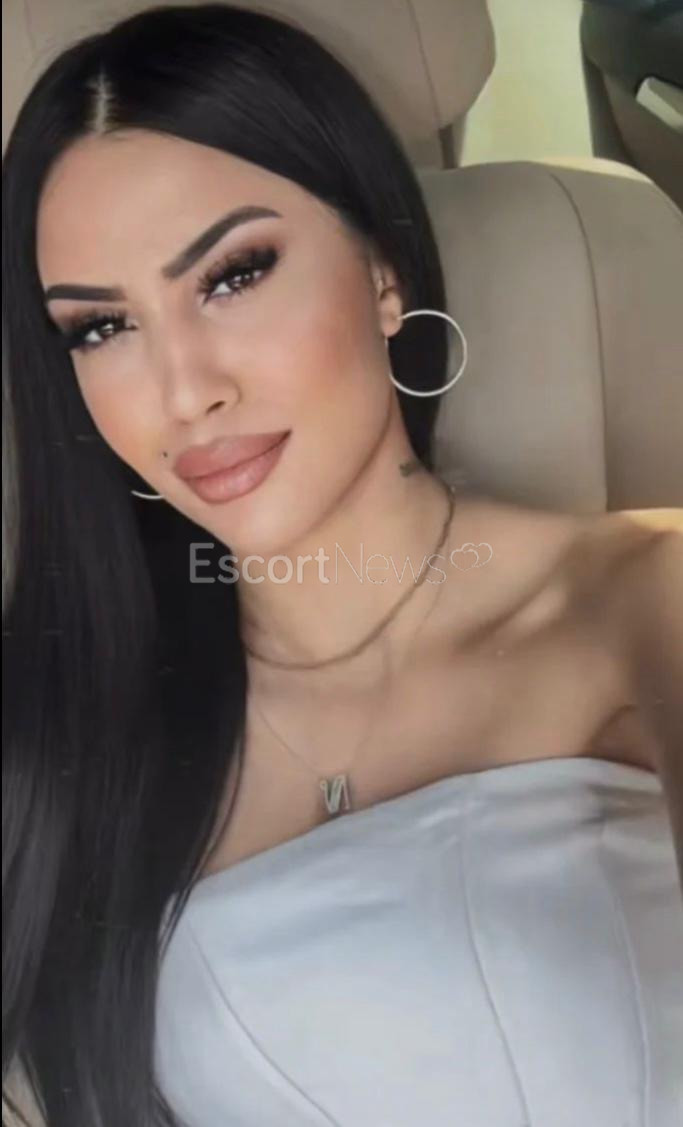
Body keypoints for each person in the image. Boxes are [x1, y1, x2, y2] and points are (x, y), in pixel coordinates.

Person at [2, 4, 682, 1126]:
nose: (185, 392)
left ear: (381, 270)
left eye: (232, 274)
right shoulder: (74, 732)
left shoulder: (644, 598)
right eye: (101, 328)